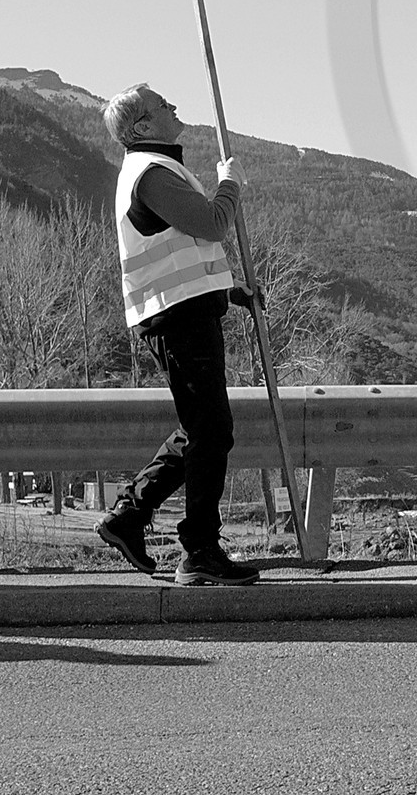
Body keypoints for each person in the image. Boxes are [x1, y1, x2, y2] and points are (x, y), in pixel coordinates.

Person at [94, 84, 260, 586]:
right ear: (143, 126)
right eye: (161, 104)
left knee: (201, 428)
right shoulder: (150, 173)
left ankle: (129, 517)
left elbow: (179, 253)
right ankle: (199, 550)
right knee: (211, 431)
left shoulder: (154, 169)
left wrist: (228, 290)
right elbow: (211, 224)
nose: (172, 107)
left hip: (182, 311)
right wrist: (230, 184)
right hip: (178, 319)